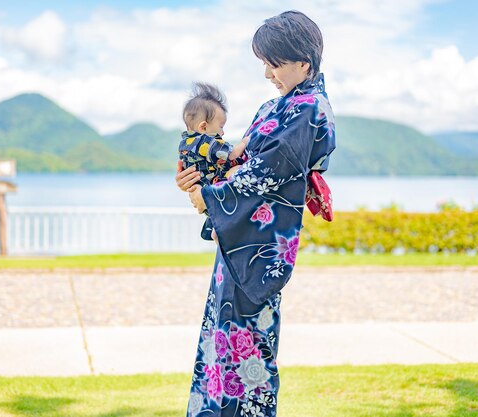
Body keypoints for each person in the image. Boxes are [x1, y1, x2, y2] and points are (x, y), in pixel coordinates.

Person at [175, 10, 336, 416]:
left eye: (273, 63)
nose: (267, 73)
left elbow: (270, 169)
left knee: (248, 352)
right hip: (238, 244)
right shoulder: (273, 108)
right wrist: (196, 181)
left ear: (304, 61)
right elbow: (236, 165)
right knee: (221, 340)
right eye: (264, 63)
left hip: (259, 251)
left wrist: (209, 198)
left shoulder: (309, 109)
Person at [178, 82, 249, 242]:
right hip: (212, 186)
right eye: (221, 126)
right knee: (236, 168)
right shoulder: (208, 143)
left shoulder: (185, 143)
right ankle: (216, 230)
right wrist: (244, 143)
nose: (223, 132)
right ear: (204, 126)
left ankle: (213, 228)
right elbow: (231, 155)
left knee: (214, 217)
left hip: (199, 187)